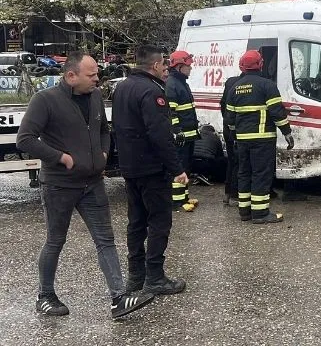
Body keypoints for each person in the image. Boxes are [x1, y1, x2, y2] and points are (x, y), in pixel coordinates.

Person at [17, 51, 155, 319]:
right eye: (91, 75)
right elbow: (25, 139)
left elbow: (103, 130)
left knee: (106, 240)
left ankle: (119, 298)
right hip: (59, 185)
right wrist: (61, 158)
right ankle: (45, 296)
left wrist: (103, 153)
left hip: (92, 183)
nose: (97, 79)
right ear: (71, 76)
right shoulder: (45, 100)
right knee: (55, 241)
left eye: (97, 74)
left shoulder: (94, 97)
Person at [112, 45, 189, 296]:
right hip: (152, 168)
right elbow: (159, 134)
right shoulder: (152, 91)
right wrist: (177, 168)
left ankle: (136, 276)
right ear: (155, 65)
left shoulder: (122, 87)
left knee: (136, 222)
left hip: (130, 166)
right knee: (159, 221)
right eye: (165, 65)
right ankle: (154, 276)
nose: (167, 69)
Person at [224, 50, 295, 224]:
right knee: (261, 174)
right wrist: (287, 132)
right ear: (261, 64)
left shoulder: (235, 87)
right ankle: (260, 213)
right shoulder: (267, 85)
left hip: (242, 139)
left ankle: (245, 211)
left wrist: (234, 135)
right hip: (262, 139)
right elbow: (277, 112)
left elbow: (229, 118)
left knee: (244, 173)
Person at [165, 50, 199, 212]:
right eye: (188, 66)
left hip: (188, 134)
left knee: (186, 167)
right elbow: (171, 112)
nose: (190, 68)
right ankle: (177, 202)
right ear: (179, 67)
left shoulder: (181, 82)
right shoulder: (172, 84)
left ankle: (184, 197)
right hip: (181, 135)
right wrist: (177, 131)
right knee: (179, 167)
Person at [220, 72, 243, 206]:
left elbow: (223, 104)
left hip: (228, 128)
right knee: (239, 163)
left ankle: (228, 193)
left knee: (232, 161)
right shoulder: (248, 84)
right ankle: (234, 195)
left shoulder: (231, 82)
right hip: (238, 130)